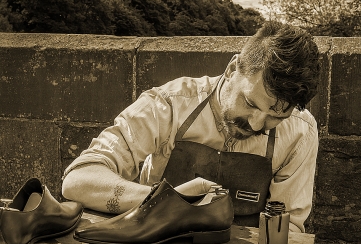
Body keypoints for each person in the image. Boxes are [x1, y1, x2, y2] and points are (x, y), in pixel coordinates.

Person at [62, 21, 320, 233]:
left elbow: (289, 230)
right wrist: (168, 201)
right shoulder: (169, 105)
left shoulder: (301, 132)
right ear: (232, 69)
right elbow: (79, 179)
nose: (255, 123)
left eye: (275, 117)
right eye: (250, 103)